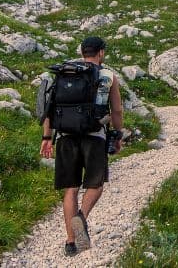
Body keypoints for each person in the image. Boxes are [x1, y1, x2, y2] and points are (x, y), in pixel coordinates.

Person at [39, 36, 124, 257]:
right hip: (94, 135)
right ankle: (82, 217)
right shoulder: (107, 76)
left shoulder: (64, 72)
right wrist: (117, 135)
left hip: (65, 136)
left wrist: (46, 138)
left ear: (82, 51)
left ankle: (70, 242)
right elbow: (117, 110)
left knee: (71, 188)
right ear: (101, 53)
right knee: (95, 184)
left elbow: (49, 107)